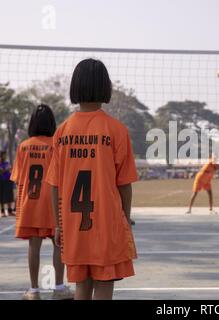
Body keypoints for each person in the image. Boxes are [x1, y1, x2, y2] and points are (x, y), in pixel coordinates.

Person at [46, 59, 138, 300]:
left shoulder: (62, 131)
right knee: (104, 285)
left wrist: (58, 224)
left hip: (73, 225)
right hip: (106, 224)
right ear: (105, 87)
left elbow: (54, 186)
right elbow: (124, 185)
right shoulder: (116, 130)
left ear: (75, 87)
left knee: (81, 287)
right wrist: (125, 220)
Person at [11, 105, 73, 300]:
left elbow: (19, 179)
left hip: (31, 201)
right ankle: (59, 288)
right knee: (58, 244)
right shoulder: (57, 144)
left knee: (33, 246)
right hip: (53, 201)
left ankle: (34, 290)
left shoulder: (23, 146)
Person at [0, 151, 16, 217]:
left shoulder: (7, 163)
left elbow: (10, 169)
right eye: (4, 155)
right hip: (2, 181)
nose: (5, 156)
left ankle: (10, 210)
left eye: (5, 155)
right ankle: (2, 211)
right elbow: (2, 171)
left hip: (9, 181)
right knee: (2, 196)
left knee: (10, 196)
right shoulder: (1, 163)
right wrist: (5, 169)